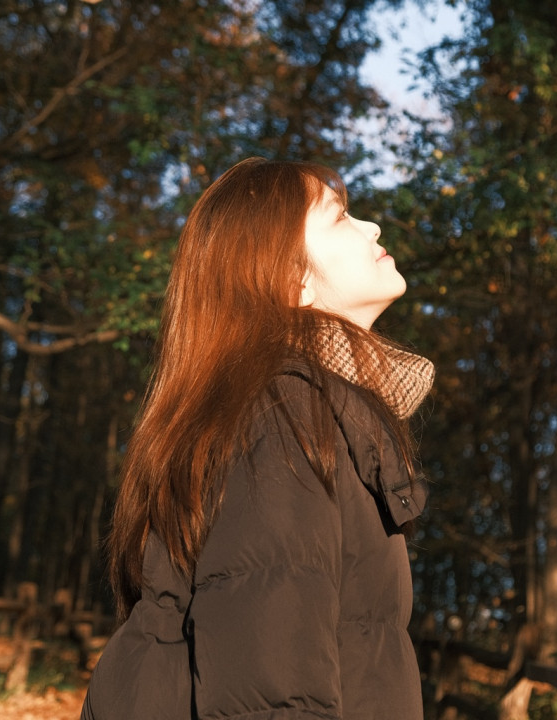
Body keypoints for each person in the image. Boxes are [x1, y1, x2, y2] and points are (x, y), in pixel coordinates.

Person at [80, 157, 435, 720]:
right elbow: (271, 692)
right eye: (340, 217)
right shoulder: (282, 411)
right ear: (292, 280)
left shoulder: (299, 407)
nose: (372, 227)